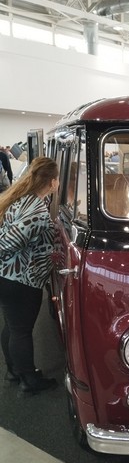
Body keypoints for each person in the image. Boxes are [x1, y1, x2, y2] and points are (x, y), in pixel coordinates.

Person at [0, 157, 59, 393]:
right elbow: (5, 244)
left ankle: (14, 371)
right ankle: (29, 380)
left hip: (9, 278)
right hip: (21, 280)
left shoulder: (24, 199)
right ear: (52, 182)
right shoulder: (37, 212)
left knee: (13, 327)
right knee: (21, 331)